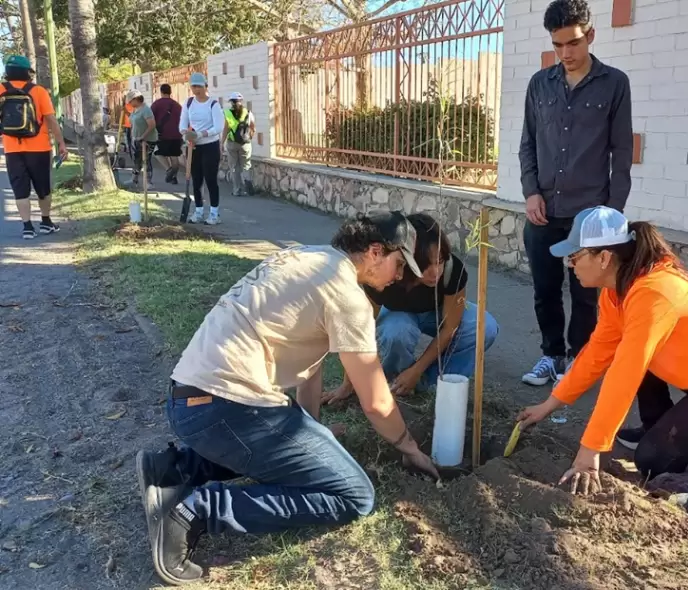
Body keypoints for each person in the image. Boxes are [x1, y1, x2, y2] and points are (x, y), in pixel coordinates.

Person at [135, 211, 440, 586]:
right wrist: (409, 447)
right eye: (398, 263)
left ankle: (175, 469)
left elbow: (308, 367)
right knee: (355, 495)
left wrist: (315, 437)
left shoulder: (305, 258)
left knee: (293, 453)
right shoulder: (346, 295)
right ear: (376, 251)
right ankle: (193, 513)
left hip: (190, 399)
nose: (399, 276)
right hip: (226, 408)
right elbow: (376, 401)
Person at [517, 207, 688, 495]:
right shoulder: (617, 292)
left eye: (574, 257)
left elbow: (625, 374)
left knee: (653, 461)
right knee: (636, 359)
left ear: (603, 257)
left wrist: (590, 451)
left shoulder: (654, 294)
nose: (570, 266)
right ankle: (664, 429)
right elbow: (595, 355)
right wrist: (548, 406)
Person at [518, 0, 633, 387]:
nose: (565, 53)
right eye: (558, 45)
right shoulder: (540, 84)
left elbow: (622, 153)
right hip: (543, 212)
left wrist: (610, 216)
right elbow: (528, 144)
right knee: (544, 289)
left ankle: (578, 363)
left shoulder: (615, 84)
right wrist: (531, 192)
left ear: (591, 35)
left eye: (573, 43)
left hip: (590, 213)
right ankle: (551, 356)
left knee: (586, 295)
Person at [323, 213, 499, 404]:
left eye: (439, 261)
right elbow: (361, 327)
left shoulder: (451, 270)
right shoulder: (387, 274)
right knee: (396, 332)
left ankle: (431, 382)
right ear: (407, 260)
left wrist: (417, 370)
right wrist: (348, 382)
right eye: (425, 265)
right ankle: (395, 381)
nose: (435, 272)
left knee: (485, 327)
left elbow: (450, 328)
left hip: (438, 311)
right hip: (398, 313)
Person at [0, 55, 68, 240]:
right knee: (43, 187)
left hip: (12, 148)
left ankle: (27, 227)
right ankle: (46, 222)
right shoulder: (38, 91)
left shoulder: (0, 90)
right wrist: (61, 143)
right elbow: (51, 119)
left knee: (20, 189)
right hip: (39, 147)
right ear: (27, 72)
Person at [178, 72, 224, 225]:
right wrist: (186, 134)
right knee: (196, 180)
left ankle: (214, 213)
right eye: (193, 86)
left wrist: (202, 134)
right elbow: (182, 123)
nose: (196, 90)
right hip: (193, 147)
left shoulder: (213, 104)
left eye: (199, 86)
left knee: (210, 180)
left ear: (205, 86)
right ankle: (198, 211)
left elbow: (219, 127)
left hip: (210, 146)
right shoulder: (189, 103)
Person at [222, 92, 255, 196]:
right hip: (245, 143)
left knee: (234, 167)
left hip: (232, 143)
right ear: (241, 101)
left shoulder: (227, 113)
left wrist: (221, 143)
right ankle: (247, 181)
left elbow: (226, 130)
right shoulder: (248, 112)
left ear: (231, 102)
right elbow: (253, 127)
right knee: (246, 165)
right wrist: (249, 138)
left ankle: (237, 190)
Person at [151, 83, 183, 184]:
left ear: (161, 92)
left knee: (158, 153)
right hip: (177, 135)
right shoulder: (177, 105)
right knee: (174, 156)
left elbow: (151, 118)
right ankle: (174, 176)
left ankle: (169, 170)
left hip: (163, 135)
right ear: (170, 92)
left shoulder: (156, 104)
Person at [127, 90, 157, 186]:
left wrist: (143, 136)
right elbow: (133, 123)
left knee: (146, 159)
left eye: (130, 101)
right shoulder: (135, 110)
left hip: (148, 139)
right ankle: (134, 179)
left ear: (136, 99)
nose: (129, 103)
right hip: (136, 138)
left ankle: (148, 182)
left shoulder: (146, 110)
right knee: (137, 159)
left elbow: (152, 125)